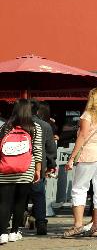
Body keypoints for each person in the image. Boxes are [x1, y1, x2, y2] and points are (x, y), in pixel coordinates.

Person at [62, 88, 97, 239]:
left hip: (89, 155)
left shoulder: (87, 115)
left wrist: (72, 158)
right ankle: (96, 227)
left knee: (79, 188)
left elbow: (82, 136)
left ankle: (78, 224)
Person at [0, 99, 43, 244]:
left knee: (4, 202)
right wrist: (38, 169)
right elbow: (37, 150)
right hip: (26, 170)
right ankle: (15, 231)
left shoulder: (6, 126)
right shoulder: (35, 127)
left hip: (5, 169)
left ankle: (2, 233)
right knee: (20, 202)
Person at [28, 101, 56, 236]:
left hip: (16, 165)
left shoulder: (13, 124)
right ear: (37, 110)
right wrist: (51, 164)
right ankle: (40, 222)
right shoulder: (45, 125)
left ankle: (19, 218)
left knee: (18, 194)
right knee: (39, 194)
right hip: (38, 165)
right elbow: (50, 148)